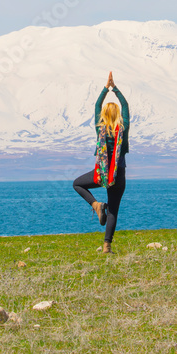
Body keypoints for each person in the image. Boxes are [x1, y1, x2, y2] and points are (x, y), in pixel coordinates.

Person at [72, 70, 129, 254]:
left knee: (77, 184)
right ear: (118, 114)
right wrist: (116, 89)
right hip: (118, 175)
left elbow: (97, 106)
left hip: (101, 174)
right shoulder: (123, 129)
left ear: (104, 114)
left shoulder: (100, 128)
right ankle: (107, 246)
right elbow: (126, 106)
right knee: (113, 210)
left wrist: (106, 88)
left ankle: (95, 205)